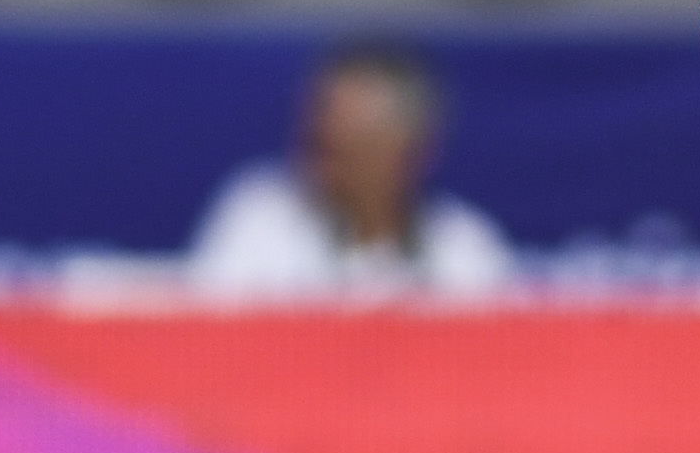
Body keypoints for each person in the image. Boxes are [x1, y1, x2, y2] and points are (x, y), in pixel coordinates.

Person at [183, 43, 514, 302]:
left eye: (348, 148)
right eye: (317, 140)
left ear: (411, 150)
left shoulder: (465, 247)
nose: (321, 164)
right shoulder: (257, 220)